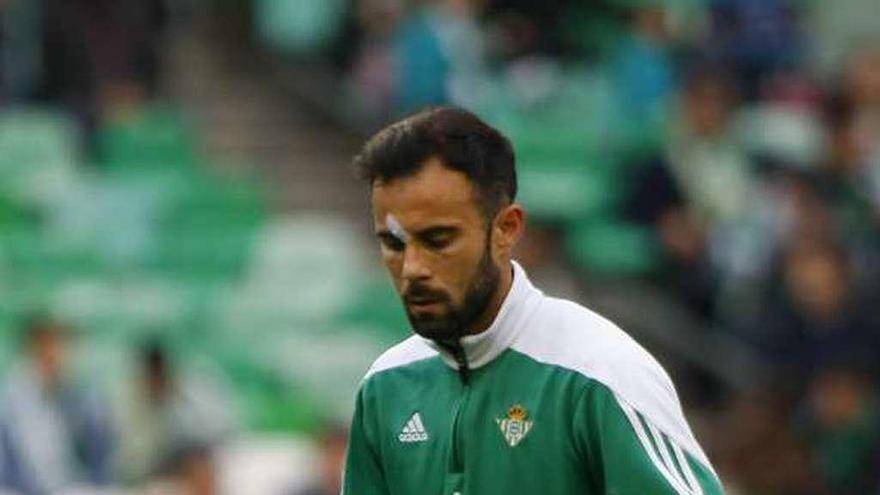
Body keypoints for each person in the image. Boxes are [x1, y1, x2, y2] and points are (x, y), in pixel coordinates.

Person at [343, 106, 724, 494]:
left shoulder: (601, 375)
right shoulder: (385, 386)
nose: (411, 269)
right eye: (393, 244)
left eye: (438, 240)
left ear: (507, 229)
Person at [0, 318, 115, 494]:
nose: (58, 356)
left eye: (61, 349)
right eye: (50, 349)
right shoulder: (11, 403)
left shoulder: (77, 398)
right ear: (33, 350)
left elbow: (97, 460)